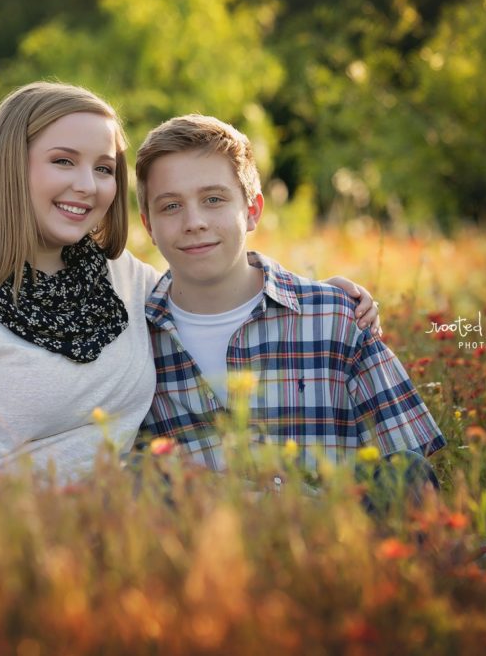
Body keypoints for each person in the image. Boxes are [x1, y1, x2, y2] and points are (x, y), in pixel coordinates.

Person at [0, 83, 380, 479]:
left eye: (104, 168)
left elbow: (215, 278)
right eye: (63, 161)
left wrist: (321, 294)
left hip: (115, 543)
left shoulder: (127, 281)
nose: (87, 186)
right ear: (9, 167)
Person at [134, 114, 445, 478]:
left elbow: (411, 467)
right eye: (171, 206)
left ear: (252, 211)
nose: (194, 221)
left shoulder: (334, 319)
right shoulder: (135, 340)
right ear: (148, 225)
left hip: (336, 526)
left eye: (214, 199)